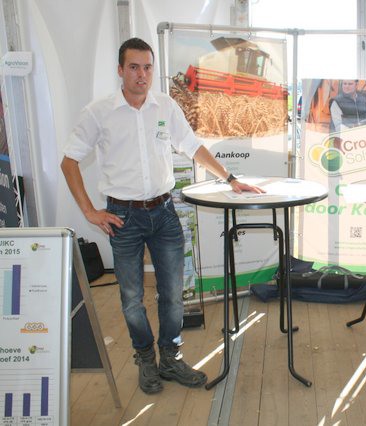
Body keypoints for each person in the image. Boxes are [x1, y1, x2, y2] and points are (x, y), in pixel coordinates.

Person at [61, 38, 262, 395]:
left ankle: (170, 357)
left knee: (172, 294)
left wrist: (230, 178)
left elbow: (193, 146)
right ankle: (145, 359)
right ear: (120, 70)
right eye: (134, 67)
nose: (141, 74)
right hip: (122, 217)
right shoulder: (98, 112)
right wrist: (90, 211)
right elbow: (69, 161)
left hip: (164, 212)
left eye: (147, 67)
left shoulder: (166, 106)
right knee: (132, 298)